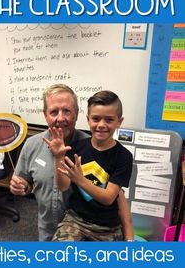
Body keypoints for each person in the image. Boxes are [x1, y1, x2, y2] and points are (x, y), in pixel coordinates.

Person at [10, 84, 134, 241]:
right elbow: (25, 184)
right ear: (45, 115)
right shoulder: (31, 145)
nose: (60, 118)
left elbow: (116, 197)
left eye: (67, 111)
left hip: (99, 226)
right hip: (52, 228)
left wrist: (129, 237)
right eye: (54, 112)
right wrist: (21, 187)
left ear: (76, 114)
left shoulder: (89, 145)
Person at [45, 90, 133, 241]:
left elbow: (108, 198)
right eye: (96, 119)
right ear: (88, 119)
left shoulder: (123, 156)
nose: (101, 125)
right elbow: (63, 186)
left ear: (119, 121)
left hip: (107, 226)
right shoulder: (77, 147)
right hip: (75, 221)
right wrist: (59, 156)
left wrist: (80, 179)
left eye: (109, 120)